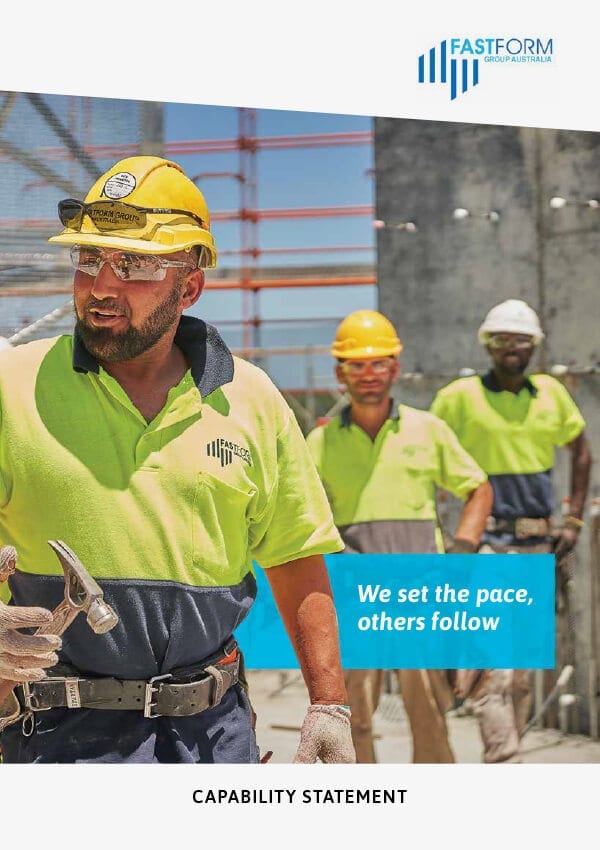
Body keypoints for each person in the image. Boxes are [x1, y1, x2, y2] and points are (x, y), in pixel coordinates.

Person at [0, 155, 355, 765]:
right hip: (52, 743)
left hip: (211, 740)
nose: (101, 287)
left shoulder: (252, 399)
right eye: (89, 260)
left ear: (188, 285)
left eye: (133, 265)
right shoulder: (12, 386)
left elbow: (295, 555)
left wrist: (330, 704)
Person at [306, 309, 493, 763]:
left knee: (428, 711)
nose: (368, 374)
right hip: (355, 597)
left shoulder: (428, 430)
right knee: (355, 714)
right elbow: (301, 514)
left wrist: (462, 551)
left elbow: (478, 488)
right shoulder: (320, 443)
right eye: (357, 365)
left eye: (377, 363)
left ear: (394, 368)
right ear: (340, 373)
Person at [431, 298, 592, 763]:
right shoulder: (459, 397)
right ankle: (506, 765)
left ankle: (508, 761)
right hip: (487, 549)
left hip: (538, 549)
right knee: (495, 669)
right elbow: (427, 452)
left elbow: (581, 452)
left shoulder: (550, 394)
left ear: (534, 346)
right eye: (502, 339)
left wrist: (574, 518)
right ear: (488, 344)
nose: (512, 347)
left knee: (520, 673)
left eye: (521, 340)